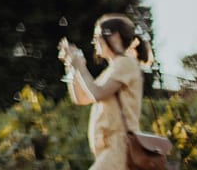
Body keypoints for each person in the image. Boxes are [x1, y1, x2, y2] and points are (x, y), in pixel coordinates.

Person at [60, 15, 155, 170]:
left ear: (115, 36)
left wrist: (80, 67)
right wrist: (71, 67)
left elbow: (98, 93)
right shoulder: (112, 69)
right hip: (108, 149)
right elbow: (82, 98)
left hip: (119, 146)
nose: (94, 42)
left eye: (98, 36)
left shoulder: (126, 63)